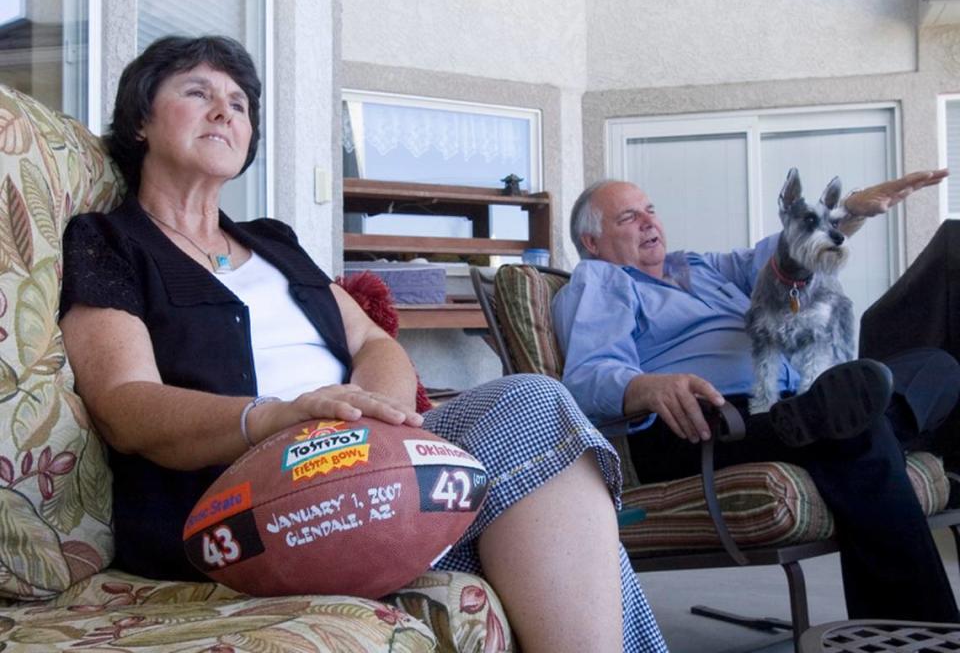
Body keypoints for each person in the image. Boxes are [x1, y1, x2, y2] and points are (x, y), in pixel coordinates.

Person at [58, 36, 667, 653]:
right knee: (534, 415)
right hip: (247, 500)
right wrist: (273, 418)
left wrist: (371, 422)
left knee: (545, 443)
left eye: (239, 103)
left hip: (359, 459)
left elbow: (375, 341)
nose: (225, 111)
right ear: (140, 121)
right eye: (198, 93)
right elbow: (124, 402)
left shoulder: (272, 242)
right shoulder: (111, 242)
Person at [553, 176, 960, 623]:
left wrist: (849, 212)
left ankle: (821, 415)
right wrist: (645, 386)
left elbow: (781, 260)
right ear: (592, 241)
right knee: (856, 435)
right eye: (629, 217)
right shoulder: (602, 281)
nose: (649, 222)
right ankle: (918, 632)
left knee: (938, 368)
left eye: (650, 209)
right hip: (702, 425)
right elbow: (587, 376)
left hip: (781, 410)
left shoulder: (696, 267)